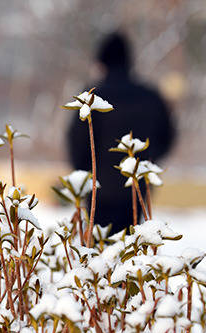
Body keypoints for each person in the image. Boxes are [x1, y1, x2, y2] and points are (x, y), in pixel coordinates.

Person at [67, 31, 175, 234]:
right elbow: (167, 137)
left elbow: (76, 143)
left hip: (98, 191)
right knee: (132, 250)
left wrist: (86, 174)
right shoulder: (151, 97)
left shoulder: (91, 99)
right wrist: (147, 162)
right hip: (136, 190)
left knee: (99, 254)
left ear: (102, 62)